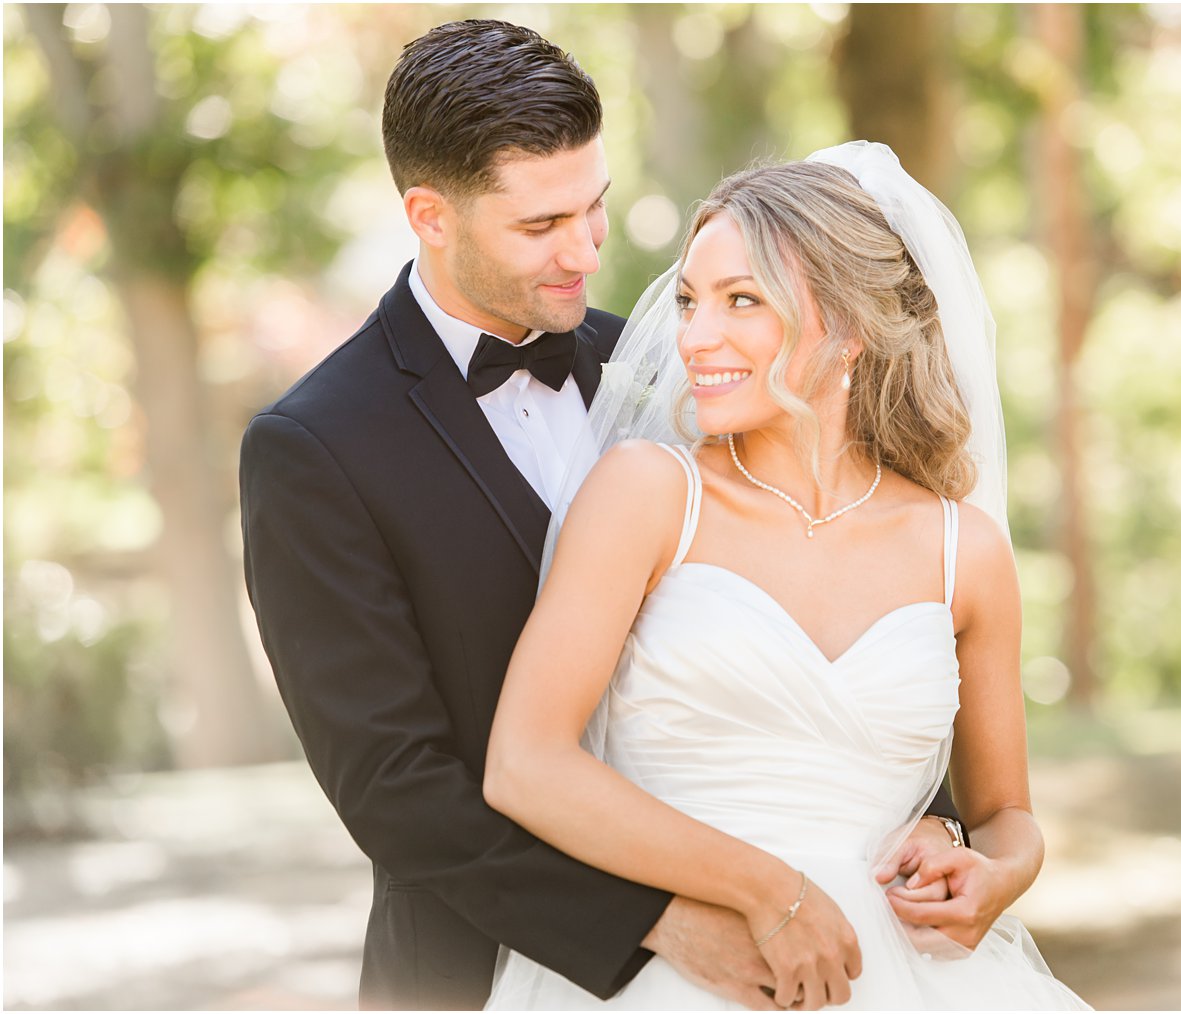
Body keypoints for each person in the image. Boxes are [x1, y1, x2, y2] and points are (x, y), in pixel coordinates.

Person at [240, 20, 965, 1010]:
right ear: (429, 215)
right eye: (541, 227)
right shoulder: (314, 449)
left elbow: (840, 565)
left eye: (596, 209)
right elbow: (394, 789)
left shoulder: (682, 372)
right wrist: (662, 924)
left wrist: (941, 818)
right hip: (473, 971)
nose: (584, 252)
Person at [480, 144, 1090, 1009]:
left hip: (902, 976)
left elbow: (1004, 815)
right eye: (690, 300)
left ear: (848, 329)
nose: (695, 336)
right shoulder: (650, 494)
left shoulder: (966, 551)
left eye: (742, 302)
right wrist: (770, 890)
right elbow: (526, 764)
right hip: (683, 967)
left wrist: (994, 874)